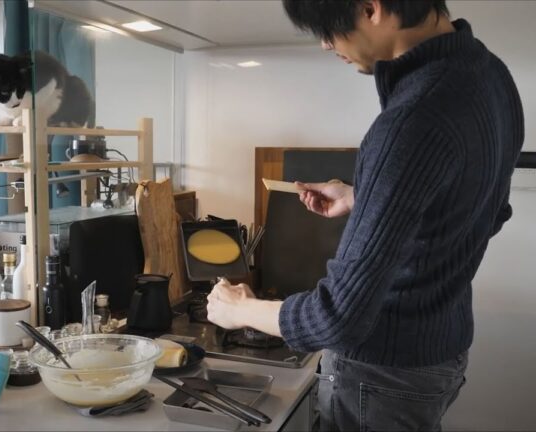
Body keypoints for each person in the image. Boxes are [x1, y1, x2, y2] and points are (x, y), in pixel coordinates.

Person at [206, 1, 523, 430]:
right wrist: (372, 199)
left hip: (382, 375)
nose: (324, 43)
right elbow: (486, 209)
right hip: (439, 355)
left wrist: (240, 309)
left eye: (328, 27)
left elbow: (337, 317)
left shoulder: (411, 118)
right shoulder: (491, 76)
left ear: (370, 8)